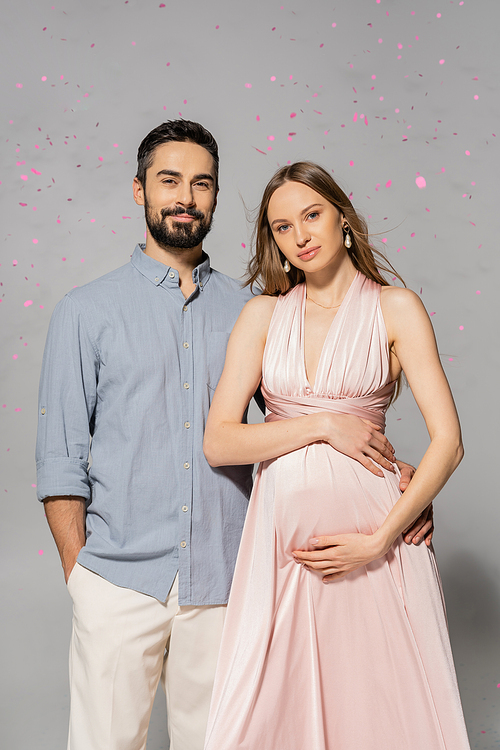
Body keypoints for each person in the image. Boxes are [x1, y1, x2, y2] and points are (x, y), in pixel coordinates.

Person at [36, 122, 429, 750]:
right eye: (169, 181)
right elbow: (61, 463)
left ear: (216, 198)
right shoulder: (85, 312)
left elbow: (298, 414)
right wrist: (83, 582)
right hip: (118, 582)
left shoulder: (257, 309)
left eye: (202, 183)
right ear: (138, 191)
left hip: (226, 583)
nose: (185, 196)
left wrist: (399, 476)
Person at [203, 162, 470, 749]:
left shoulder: (397, 308)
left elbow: (448, 443)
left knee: (385, 719)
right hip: (285, 556)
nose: (299, 235)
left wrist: (380, 539)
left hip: (379, 547)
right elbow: (220, 440)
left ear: (343, 217)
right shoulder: (262, 316)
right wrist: (323, 425)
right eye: (280, 227)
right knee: (267, 721)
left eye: (311, 214)